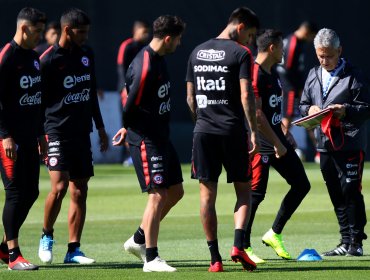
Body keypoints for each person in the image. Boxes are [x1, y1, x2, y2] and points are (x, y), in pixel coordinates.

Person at [186, 7, 260, 272]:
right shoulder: (241, 53)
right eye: (250, 35)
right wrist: (252, 130)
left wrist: (202, 123)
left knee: (207, 196)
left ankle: (214, 259)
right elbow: (246, 95)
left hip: (203, 131)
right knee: (243, 190)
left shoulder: (196, 51)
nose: (250, 41)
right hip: (232, 132)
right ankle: (238, 244)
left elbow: (190, 98)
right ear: (240, 27)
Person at [112, 15, 186, 272]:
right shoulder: (145, 65)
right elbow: (128, 102)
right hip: (146, 138)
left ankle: (138, 239)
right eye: (178, 39)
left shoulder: (159, 59)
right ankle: (151, 258)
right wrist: (126, 128)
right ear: (168, 38)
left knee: (176, 191)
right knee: (158, 194)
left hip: (161, 135)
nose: (179, 43)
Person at [38, 8, 108, 265]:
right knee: (59, 187)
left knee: (80, 190)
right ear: (67, 30)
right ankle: (46, 236)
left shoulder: (86, 55)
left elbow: (90, 95)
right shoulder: (47, 60)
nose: (86, 37)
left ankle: (73, 250)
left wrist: (100, 128)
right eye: (82, 33)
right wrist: (39, 136)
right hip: (55, 131)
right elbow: (37, 102)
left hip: (81, 132)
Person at [241, 29, 311, 263]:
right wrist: (275, 142)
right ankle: (243, 246)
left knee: (301, 184)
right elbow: (256, 114)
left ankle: (274, 233)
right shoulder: (255, 73)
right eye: (281, 47)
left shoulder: (273, 73)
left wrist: (284, 132)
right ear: (272, 48)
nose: (284, 51)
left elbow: (271, 111)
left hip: (276, 138)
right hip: (260, 143)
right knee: (255, 194)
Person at [299, 28, 369, 257]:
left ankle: (356, 241)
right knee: (335, 192)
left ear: (339, 51)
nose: (324, 60)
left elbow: (365, 108)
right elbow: (302, 104)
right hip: (324, 143)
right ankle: (345, 240)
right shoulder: (313, 74)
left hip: (349, 142)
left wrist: (345, 111)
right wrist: (309, 109)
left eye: (329, 55)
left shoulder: (354, 74)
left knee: (350, 190)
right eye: (320, 55)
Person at [0, 7, 46, 270]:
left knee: (31, 192)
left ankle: (4, 247)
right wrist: (5, 135)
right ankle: (13, 255)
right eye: (37, 31)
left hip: (30, 137)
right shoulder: (7, 56)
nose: (40, 35)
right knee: (16, 192)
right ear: (24, 28)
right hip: (9, 140)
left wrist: (40, 134)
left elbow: (36, 102)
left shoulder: (34, 58)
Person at [276, 21, 318, 161]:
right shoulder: (292, 43)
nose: (311, 40)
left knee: (307, 117)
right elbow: (287, 70)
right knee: (287, 117)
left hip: (295, 88)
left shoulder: (297, 42)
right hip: (290, 89)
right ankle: (279, 150)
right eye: (312, 36)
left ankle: (319, 151)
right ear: (307, 32)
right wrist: (297, 89)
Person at [116, 20, 151, 166]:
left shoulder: (147, 48)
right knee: (128, 122)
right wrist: (125, 87)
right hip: (127, 90)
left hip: (142, 92)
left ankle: (144, 152)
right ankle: (129, 156)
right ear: (136, 31)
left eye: (147, 32)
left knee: (142, 121)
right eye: (144, 31)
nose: (146, 35)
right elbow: (121, 67)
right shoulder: (127, 46)